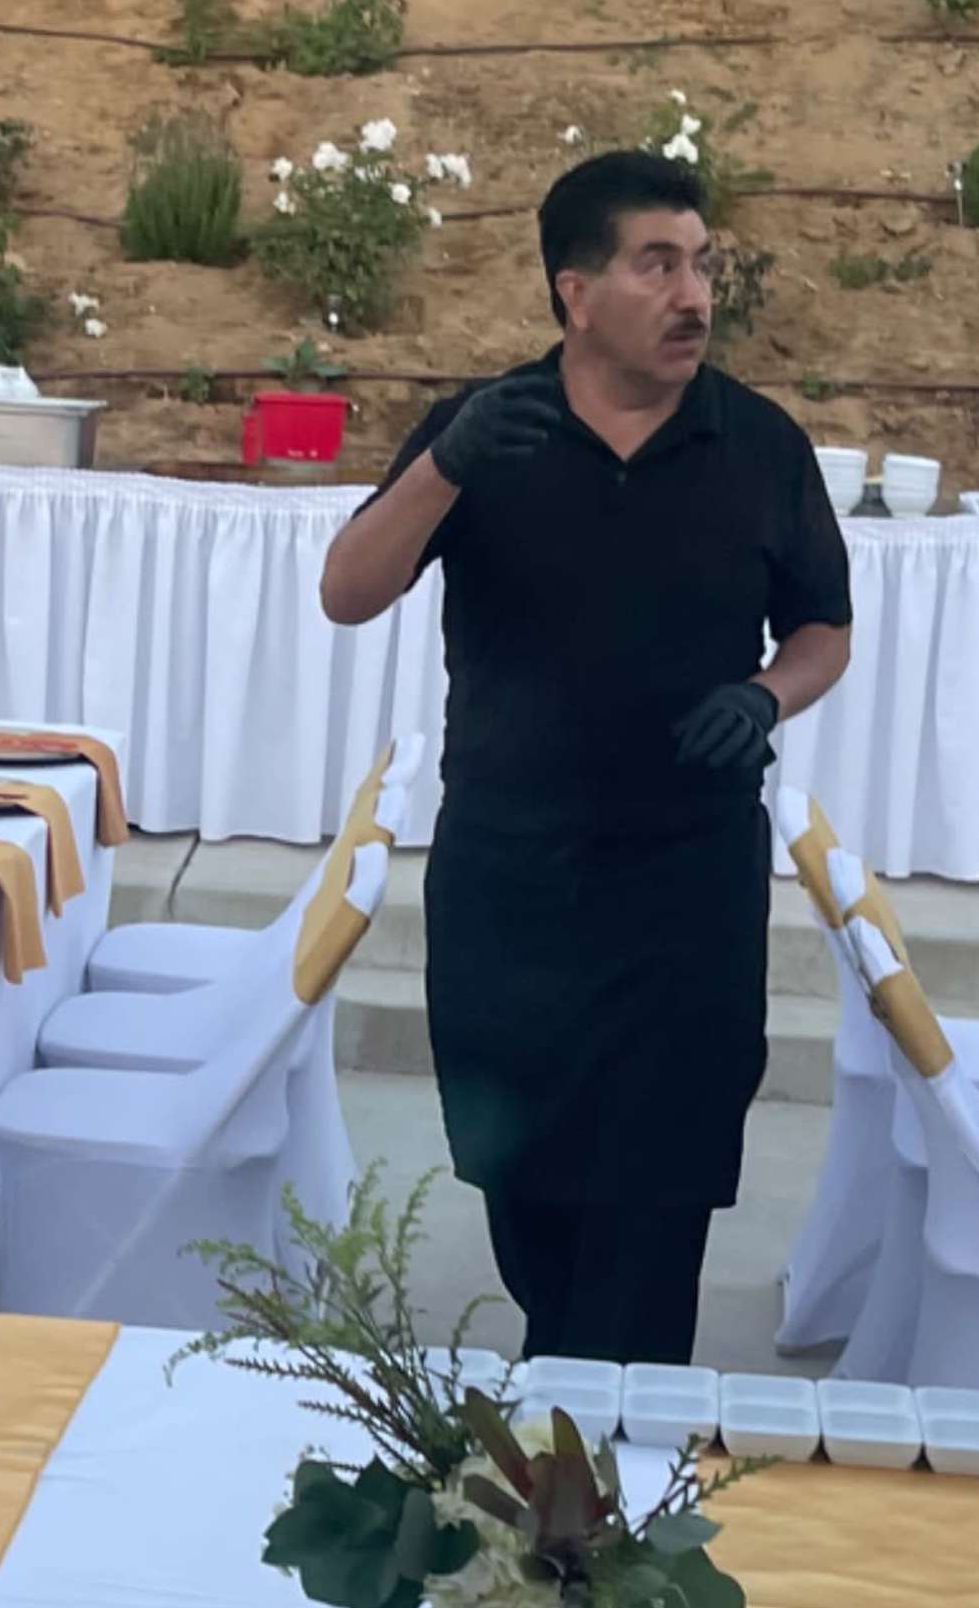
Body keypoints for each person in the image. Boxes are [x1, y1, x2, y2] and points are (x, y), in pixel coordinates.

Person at [316, 149, 853, 1365]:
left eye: (704, 263)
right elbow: (348, 590)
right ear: (575, 290)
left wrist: (768, 697)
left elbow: (826, 626)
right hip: (516, 888)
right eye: (657, 263)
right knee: (535, 1213)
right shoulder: (486, 426)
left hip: (685, 894)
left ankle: (597, 1488)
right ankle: (571, 1460)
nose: (695, 294)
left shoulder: (758, 443)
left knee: (651, 1231)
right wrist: (446, 466)